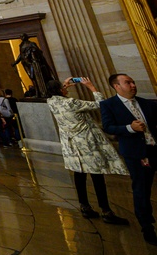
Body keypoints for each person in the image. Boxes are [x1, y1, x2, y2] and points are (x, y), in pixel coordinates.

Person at [45, 77, 129, 224]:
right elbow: (100, 104)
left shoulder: (51, 102)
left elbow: (55, 95)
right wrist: (91, 87)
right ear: (60, 90)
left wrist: (63, 85)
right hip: (86, 143)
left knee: (79, 174)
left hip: (72, 145)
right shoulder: (71, 102)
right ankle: (106, 211)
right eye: (63, 87)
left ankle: (85, 206)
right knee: (97, 175)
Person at [100, 73, 157, 245]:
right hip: (136, 153)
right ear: (117, 86)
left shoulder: (146, 102)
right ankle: (147, 226)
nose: (133, 85)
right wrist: (129, 128)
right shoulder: (109, 105)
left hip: (154, 149)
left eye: (133, 82)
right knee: (142, 188)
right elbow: (108, 126)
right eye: (128, 82)